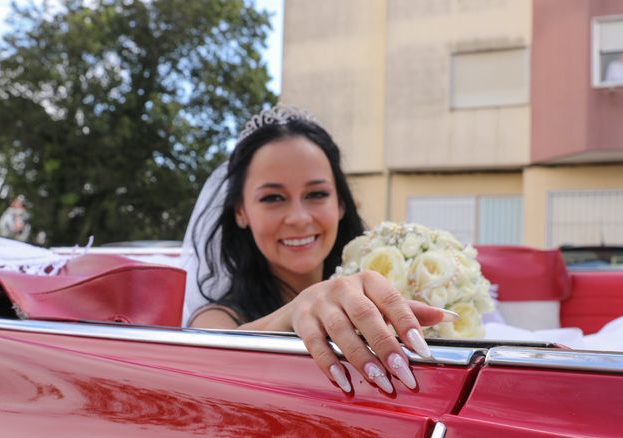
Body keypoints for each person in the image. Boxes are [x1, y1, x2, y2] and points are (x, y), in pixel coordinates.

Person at [186, 105, 454, 394]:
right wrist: (296, 312)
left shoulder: (382, 288)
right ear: (241, 211)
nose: (299, 218)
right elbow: (205, 363)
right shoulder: (216, 318)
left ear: (340, 203)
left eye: (316, 194)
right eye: (273, 198)